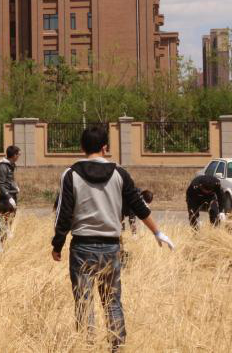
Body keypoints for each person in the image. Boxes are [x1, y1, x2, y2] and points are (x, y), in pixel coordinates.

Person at [52, 125, 174, 351]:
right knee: (112, 301)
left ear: (81, 147)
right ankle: (117, 347)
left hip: (82, 247)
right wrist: (157, 232)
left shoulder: (70, 174)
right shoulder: (120, 173)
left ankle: (86, 346)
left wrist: (57, 245)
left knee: (84, 302)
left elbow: (64, 213)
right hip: (111, 247)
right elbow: (138, 205)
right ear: (105, 148)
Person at [0, 145, 21, 213]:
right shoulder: (3, 167)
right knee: (5, 221)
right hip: (6, 199)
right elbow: (0, 184)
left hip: (12, 194)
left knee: (11, 221)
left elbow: (10, 179)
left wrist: (15, 186)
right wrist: (9, 197)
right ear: (14, 155)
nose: (19, 157)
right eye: (18, 154)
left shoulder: (11, 165)